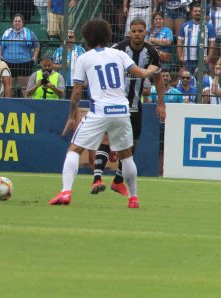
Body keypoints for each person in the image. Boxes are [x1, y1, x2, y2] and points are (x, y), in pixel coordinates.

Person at [49, 19, 161, 208]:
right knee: (126, 156)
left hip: (100, 110)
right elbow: (141, 73)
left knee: (74, 150)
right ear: (106, 35)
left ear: (88, 37)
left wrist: (71, 116)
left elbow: (76, 93)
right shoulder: (118, 54)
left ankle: (66, 192)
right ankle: (133, 199)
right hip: (122, 110)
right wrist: (152, 69)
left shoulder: (85, 58)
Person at [92, 18, 166, 194]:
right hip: (115, 103)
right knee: (107, 140)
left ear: (145, 32)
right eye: (134, 31)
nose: (137, 34)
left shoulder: (151, 53)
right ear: (129, 32)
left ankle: (118, 180)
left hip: (135, 105)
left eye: (140, 31)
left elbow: (158, 78)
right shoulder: (118, 49)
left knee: (132, 144)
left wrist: (161, 104)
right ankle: (97, 179)